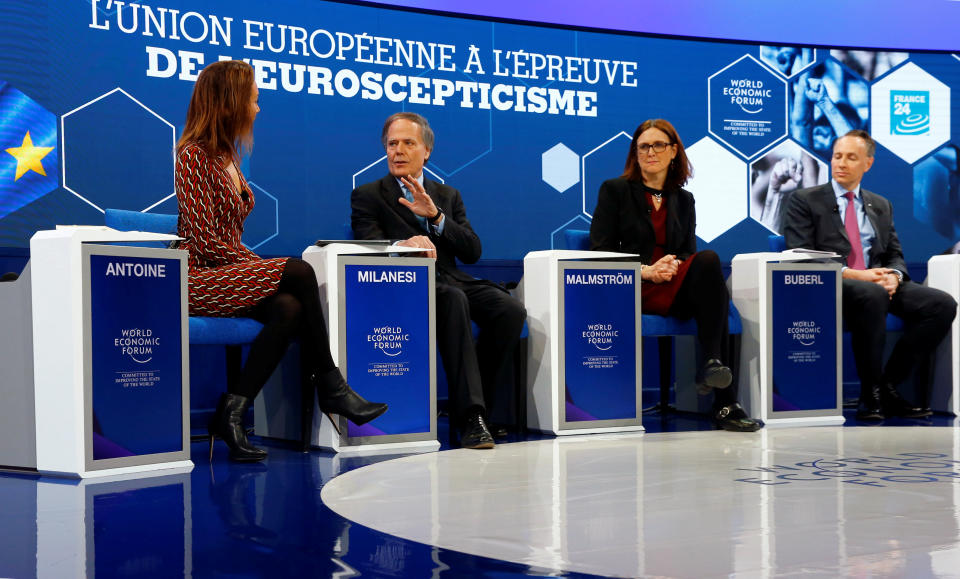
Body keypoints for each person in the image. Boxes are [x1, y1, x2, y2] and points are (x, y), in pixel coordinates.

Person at [176, 60, 387, 462]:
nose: (258, 108)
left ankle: (233, 412)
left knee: (289, 307)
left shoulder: (228, 157)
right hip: (197, 279)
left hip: (227, 274)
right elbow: (204, 242)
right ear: (229, 102)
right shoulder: (192, 157)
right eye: (253, 99)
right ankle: (332, 387)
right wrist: (258, 266)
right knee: (298, 271)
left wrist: (253, 268)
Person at [350, 112, 526, 449]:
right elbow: (368, 245)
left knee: (509, 310)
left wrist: (436, 217)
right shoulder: (369, 195)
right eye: (392, 144)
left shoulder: (447, 195)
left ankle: (481, 408)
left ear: (426, 151)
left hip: (452, 277)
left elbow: (473, 250)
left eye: (408, 143)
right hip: (402, 286)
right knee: (452, 300)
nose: (398, 151)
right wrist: (404, 245)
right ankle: (471, 416)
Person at [589, 118, 763, 432]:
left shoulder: (684, 200)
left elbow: (688, 253)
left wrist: (672, 267)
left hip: (672, 285)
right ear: (634, 153)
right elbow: (601, 253)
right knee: (715, 296)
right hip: (633, 288)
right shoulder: (614, 190)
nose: (649, 152)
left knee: (707, 262)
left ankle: (712, 368)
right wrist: (647, 271)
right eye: (642, 146)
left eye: (657, 145)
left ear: (673, 152)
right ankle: (724, 399)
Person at [783, 130, 957, 419]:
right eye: (838, 156)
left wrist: (895, 277)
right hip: (829, 285)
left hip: (877, 283)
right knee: (872, 294)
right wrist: (857, 275)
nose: (841, 163)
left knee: (941, 305)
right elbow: (801, 255)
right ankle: (869, 393)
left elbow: (894, 254)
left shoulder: (880, 205)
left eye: (851, 157)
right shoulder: (805, 200)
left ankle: (888, 384)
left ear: (868, 164)